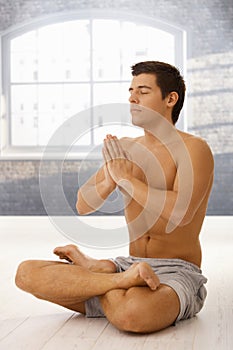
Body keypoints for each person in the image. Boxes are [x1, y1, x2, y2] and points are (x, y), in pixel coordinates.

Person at [15, 61, 214, 334]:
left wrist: (126, 180)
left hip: (176, 271)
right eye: (131, 90)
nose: (132, 97)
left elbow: (180, 212)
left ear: (170, 99)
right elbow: (83, 204)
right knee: (26, 273)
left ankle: (101, 275)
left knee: (132, 316)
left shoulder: (194, 149)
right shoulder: (127, 149)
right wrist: (110, 177)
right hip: (128, 266)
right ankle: (116, 281)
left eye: (143, 91)